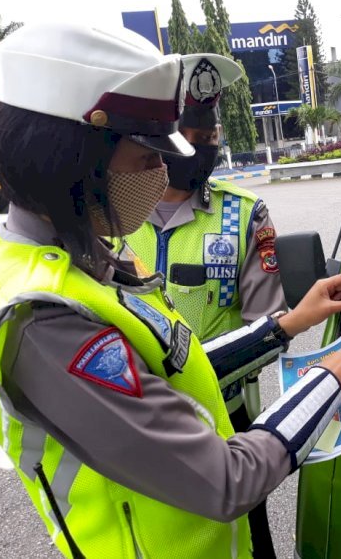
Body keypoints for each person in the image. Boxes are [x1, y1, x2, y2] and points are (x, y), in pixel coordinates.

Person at [0, 22, 341, 559]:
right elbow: (225, 479)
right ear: (74, 160)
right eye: (146, 160)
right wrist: (326, 382)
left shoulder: (81, 254)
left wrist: (288, 324)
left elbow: (170, 363)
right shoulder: (45, 318)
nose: (163, 174)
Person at [123, 53, 286, 557]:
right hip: (138, 418)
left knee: (245, 543)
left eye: (210, 139)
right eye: (191, 139)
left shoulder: (245, 216)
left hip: (228, 420)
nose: (202, 150)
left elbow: (271, 327)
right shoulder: (114, 219)